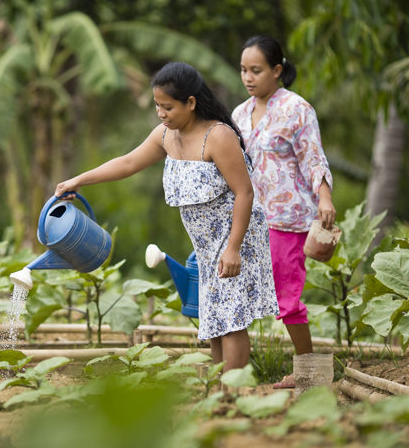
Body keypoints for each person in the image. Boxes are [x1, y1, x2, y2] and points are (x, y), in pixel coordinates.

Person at [55, 62, 278, 371]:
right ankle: (219, 390)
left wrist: (234, 248)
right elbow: (129, 162)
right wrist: (78, 180)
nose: (161, 113)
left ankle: (235, 392)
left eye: (168, 107)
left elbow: (245, 193)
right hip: (204, 243)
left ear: (190, 103)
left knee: (231, 318)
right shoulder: (166, 135)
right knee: (211, 314)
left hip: (235, 235)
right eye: (158, 105)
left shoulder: (217, 136)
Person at [232, 35, 336, 389]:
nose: (248, 77)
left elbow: (313, 157)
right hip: (252, 220)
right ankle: (235, 372)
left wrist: (324, 198)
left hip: (290, 220)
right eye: (244, 70)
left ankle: (311, 373)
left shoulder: (297, 109)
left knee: (288, 299)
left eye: (256, 70)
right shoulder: (239, 114)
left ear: (277, 70)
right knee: (241, 293)